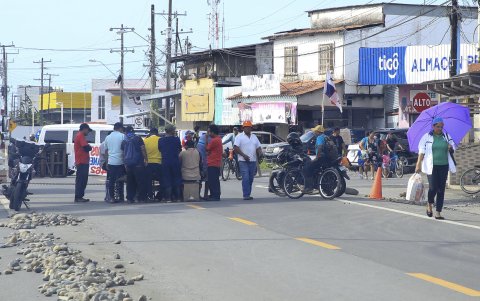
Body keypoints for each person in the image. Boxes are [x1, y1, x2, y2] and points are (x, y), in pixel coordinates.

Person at [415, 117, 456, 220]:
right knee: (433, 188)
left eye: (441, 127)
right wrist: (418, 163)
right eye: (438, 126)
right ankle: (429, 203)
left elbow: (453, 147)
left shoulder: (446, 136)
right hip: (431, 166)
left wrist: (450, 147)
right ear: (433, 126)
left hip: (444, 165)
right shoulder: (427, 137)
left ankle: (438, 212)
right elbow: (422, 151)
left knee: (441, 190)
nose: (440, 128)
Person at [234, 121, 262, 200]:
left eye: (249, 127)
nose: (248, 128)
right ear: (243, 128)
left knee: (250, 178)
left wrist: (260, 153)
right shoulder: (239, 137)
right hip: (243, 160)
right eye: (246, 127)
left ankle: (248, 193)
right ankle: (246, 195)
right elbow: (236, 148)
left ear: (251, 128)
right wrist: (243, 155)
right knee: (245, 177)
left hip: (252, 161)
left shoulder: (254, 137)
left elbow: (258, 147)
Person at [122, 126, 148, 203]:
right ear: (133, 131)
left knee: (130, 182)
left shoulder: (124, 140)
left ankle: (130, 198)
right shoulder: (138, 138)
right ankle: (141, 198)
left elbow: (123, 153)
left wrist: (125, 163)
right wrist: (146, 159)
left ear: (126, 132)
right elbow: (143, 149)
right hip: (138, 164)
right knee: (140, 181)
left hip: (129, 164)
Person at [158, 124, 182, 202]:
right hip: (175, 161)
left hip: (165, 162)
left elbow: (160, 150)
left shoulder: (161, 140)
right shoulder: (177, 139)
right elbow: (179, 149)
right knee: (177, 179)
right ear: (172, 131)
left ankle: (168, 198)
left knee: (167, 179)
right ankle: (178, 198)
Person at [302, 125, 329, 193]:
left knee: (307, 168)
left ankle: (309, 187)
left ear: (317, 132)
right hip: (327, 158)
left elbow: (320, 147)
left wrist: (317, 157)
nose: (314, 133)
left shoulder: (319, 137)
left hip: (321, 158)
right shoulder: (326, 137)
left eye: (315, 132)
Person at [104, 122, 125, 203]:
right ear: (120, 128)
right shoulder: (122, 136)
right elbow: (124, 150)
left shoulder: (108, 137)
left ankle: (112, 198)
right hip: (120, 162)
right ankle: (121, 197)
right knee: (120, 180)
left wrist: (106, 163)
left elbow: (106, 151)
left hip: (111, 162)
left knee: (111, 181)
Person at [74, 123, 92, 202]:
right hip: (82, 161)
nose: (88, 132)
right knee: (82, 180)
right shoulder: (81, 136)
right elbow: (86, 147)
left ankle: (79, 196)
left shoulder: (80, 135)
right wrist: (89, 147)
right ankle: (78, 196)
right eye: (88, 130)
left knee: (82, 179)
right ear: (85, 129)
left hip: (82, 161)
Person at [144, 128, 162, 201]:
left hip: (148, 164)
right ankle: (160, 195)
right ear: (157, 133)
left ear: (150, 133)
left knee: (148, 180)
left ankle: (150, 195)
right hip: (159, 163)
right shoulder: (161, 139)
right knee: (162, 180)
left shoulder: (145, 140)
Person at [206, 124, 223, 201]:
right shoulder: (218, 139)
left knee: (213, 180)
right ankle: (214, 194)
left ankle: (215, 195)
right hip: (215, 162)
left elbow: (207, 148)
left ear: (213, 132)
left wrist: (206, 139)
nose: (208, 134)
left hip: (213, 162)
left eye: (209, 132)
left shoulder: (214, 140)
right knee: (214, 180)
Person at [196, 133, 210, 200]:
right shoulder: (209, 139)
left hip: (200, 162)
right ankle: (205, 195)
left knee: (200, 180)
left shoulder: (202, 137)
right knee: (206, 180)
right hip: (205, 162)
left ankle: (198, 195)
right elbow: (208, 150)